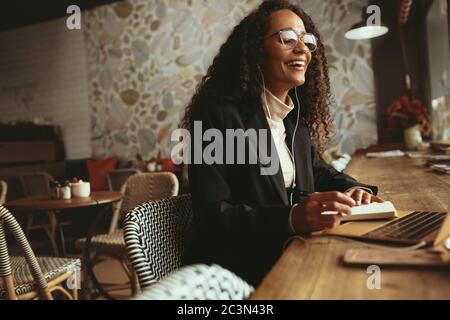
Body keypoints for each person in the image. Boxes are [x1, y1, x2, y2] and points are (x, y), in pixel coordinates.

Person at [181, 0, 382, 286]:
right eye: (287, 38)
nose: (302, 49)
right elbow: (213, 215)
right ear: (255, 50)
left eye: (307, 40)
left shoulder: (291, 116)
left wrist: (355, 188)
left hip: (292, 254)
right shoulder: (217, 112)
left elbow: (319, 171)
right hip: (238, 273)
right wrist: (292, 218)